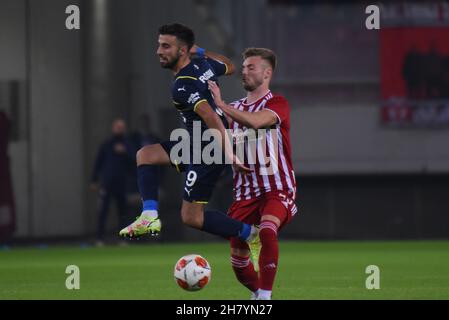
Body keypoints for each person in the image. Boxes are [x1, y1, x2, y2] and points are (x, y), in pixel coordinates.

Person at [119, 23, 258, 245]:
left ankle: (252, 235)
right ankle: (149, 216)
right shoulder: (203, 66)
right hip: (194, 144)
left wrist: (229, 154)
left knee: (191, 217)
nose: (159, 51)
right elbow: (230, 66)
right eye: (159, 45)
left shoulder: (183, 86)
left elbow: (210, 117)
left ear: (182, 51)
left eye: (166, 46)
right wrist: (201, 52)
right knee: (146, 155)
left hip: (209, 151)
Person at [208, 48, 298, 300]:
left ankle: (265, 298)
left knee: (268, 230)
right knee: (238, 262)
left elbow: (257, 121)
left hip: (277, 188)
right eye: (244, 67)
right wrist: (229, 155)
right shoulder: (233, 108)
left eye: (251, 67)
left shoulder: (277, 103)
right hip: (244, 193)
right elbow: (217, 137)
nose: (244, 72)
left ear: (267, 73)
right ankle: (258, 293)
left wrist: (221, 105)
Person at [91, 118, 135, 244]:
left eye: (121, 127)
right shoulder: (107, 144)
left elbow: (134, 160)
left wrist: (125, 152)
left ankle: (122, 239)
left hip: (122, 183)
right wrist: (94, 180)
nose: (119, 130)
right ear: (113, 128)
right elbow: (98, 162)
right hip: (107, 183)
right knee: (103, 211)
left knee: (122, 212)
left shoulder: (128, 144)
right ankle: (99, 238)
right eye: (117, 127)